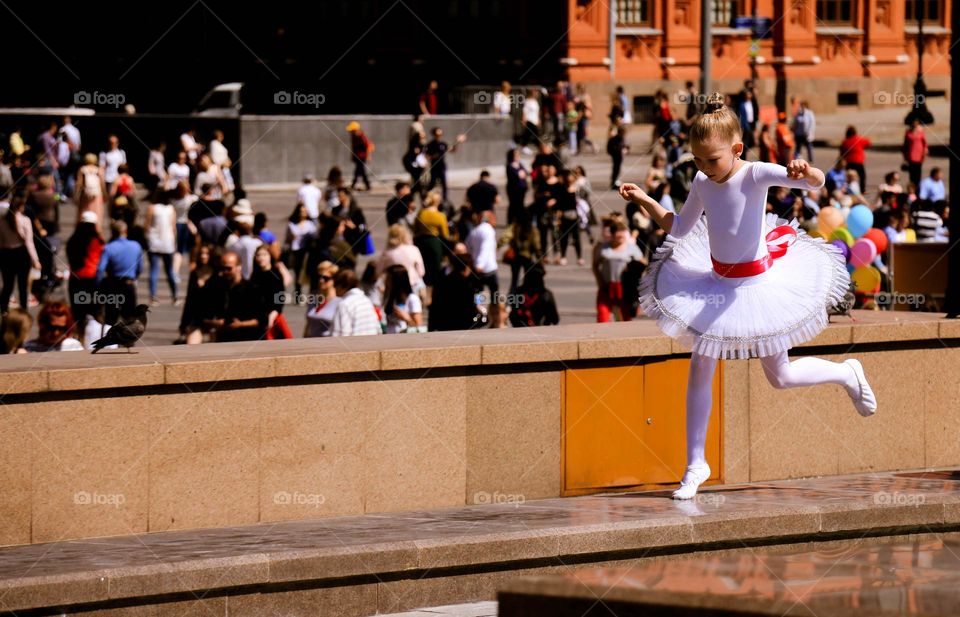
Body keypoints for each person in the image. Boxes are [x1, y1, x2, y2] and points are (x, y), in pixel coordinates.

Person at [619, 92, 876, 500]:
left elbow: (816, 182)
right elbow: (680, 228)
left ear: (737, 149)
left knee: (781, 376)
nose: (703, 168)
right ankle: (695, 463)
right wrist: (646, 200)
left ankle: (847, 372)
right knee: (701, 363)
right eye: (697, 160)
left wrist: (806, 171)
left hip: (758, 289)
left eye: (712, 159)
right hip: (717, 285)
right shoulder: (703, 180)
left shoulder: (755, 173)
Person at [206, 252, 268, 342]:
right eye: (222, 269)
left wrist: (240, 324)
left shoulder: (252, 289)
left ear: (239, 267)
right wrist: (215, 323)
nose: (225, 272)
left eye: (228, 268)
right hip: (224, 340)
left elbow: (262, 320)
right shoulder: (217, 288)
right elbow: (203, 316)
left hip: (248, 339)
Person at [592, 220, 644, 322]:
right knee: (602, 314)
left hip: (624, 288)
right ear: (612, 234)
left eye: (623, 235)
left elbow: (643, 264)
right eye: (618, 235)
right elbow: (595, 265)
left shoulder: (632, 248)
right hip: (607, 286)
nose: (621, 237)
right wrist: (599, 280)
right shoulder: (603, 248)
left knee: (626, 317)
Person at [0, 192, 41, 313]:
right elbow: (29, 242)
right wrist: (36, 260)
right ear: (21, 206)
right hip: (21, 254)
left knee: (8, 286)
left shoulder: (2, 221)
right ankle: (23, 311)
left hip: (6, 254)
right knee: (23, 286)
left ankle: (4, 311)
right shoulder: (25, 220)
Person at [96, 220, 142, 325]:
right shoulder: (136, 246)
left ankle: (110, 339)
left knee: (111, 317)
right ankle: (128, 340)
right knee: (129, 317)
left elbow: (100, 269)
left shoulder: (109, 248)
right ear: (125, 231)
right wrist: (134, 277)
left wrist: (98, 284)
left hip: (113, 284)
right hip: (128, 284)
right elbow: (140, 268)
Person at [250, 244, 292, 339]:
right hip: (257, 318)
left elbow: (279, 299)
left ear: (270, 256)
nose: (261, 258)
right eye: (258, 255)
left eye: (264, 255)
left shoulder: (275, 275)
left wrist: (272, 315)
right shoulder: (255, 275)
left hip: (272, 317)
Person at [145, 192, 178, 305]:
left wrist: (147, 238)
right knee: (169, 270)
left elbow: (147, 225)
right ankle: (174, 296)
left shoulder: (152, 208)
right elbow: (173, 227)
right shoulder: (171, 209)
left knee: (154, 270)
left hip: (154, 242)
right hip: (168, 242)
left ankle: (153, 297)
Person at [330, 269, 381, 336]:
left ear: (342, 285)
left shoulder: (344, 304)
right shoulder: (366, 300)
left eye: (335, 285)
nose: (334, 288)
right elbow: (378, 329)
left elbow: (340, 334)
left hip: (353, 345)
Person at [499, 209, 540, 292]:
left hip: (516, 257)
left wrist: (496, 246)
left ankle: (512, 300)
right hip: (527, 257)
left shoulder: (515, 227)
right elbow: (537, 246)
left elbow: (504, 238)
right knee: (527, 280)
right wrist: (540, 260)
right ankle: (524, 299)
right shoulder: (532, 229)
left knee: (514, 280)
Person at [284, 203, 318, 297]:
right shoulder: (292, 224)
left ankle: (310, 293)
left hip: (306, 251)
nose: (303, 213)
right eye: (301, 211)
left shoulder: (310, 225)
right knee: (297, 272)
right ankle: (298, 292)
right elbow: (287, 239)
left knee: (306, 272)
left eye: (305, 211)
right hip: (295, 251)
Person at [465, 210, 499, 299]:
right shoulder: (488, 230)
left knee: (477, 293)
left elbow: (468, 246)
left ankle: (478, 309)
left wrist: (473, 262)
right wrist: (480, 265)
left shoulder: (475, 230)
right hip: (487, 268)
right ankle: (493, 310)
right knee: (494, 294)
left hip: (477, 268)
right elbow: (485, 249)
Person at [382, 265, 424, 333]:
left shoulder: (412, 299)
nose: (386, 281)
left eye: (389, 278)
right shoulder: (391, 298)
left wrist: (406, 318)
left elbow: (419, 327)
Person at [304, 261, 340, 337]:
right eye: (319, 277)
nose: (321, 281)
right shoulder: (313, 297)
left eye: (326, 278)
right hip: (310, 343)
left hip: (328, 345)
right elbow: (308, 325)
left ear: (334, 280)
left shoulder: (339, 301)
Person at [75, 153, 106, 225]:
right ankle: (96, 227)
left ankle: (83, 226)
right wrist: (104, 194)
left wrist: (76, 194)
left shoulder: (82, 169)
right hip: (97, 193)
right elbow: (102, 184)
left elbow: (79, 183)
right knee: (96, 211)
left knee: (84, 211)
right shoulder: (98, 170)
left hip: (85, 193)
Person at [346, 121, 374, 192]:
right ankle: (365, 185)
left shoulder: (361, 136)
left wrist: (368, 156)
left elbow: (368, 146)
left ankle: (356, 185)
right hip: (357, 157)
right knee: (359, 171)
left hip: (362, 157)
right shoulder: (354, 137)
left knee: (360, 171)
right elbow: (354, 148)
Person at [903, 119, 928, 189]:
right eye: (913, 123)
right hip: (911, 154)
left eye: (916, 123)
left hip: (919, 155)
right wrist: (904, 155)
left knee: (918, 173)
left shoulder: (921, 132)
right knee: (912, 174)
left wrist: (924, 154)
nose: (914, 124)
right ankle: (912, 189)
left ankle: (918, 188)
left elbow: (925, 144)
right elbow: (905, 144)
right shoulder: (908, 132)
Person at [505, 148, 528, 225]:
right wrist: (520, 174)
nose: (518, 156)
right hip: (514, 189)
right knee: (513, 205)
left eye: (518, 154)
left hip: (522, 188)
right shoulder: (509, 165)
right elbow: (516, 175)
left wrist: (521, 174)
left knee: (521, 205)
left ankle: (520, 220)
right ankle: (511, 221)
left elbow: (525, 173)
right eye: (516, 155)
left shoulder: (520, 164)